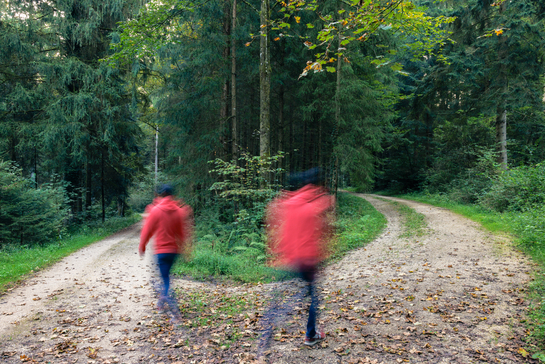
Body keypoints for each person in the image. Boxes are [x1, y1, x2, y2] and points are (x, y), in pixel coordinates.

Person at [263, 169, 335, 348]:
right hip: (308, 260)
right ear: (315, 183)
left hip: (288, 258)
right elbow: (325, 231)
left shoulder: (287, 202)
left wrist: (275, 251)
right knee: (311, 297)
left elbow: (272, 221)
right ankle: (310, 335)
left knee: (285, 295)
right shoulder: (318, 203)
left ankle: (267, 329)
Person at [139, 184, 193, 313]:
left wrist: (142, 245)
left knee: (164, 278)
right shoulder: (179, 211)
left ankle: (166, 301)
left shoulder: (156, 210)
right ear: (172, 195)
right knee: (166, 276)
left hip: (161, 251)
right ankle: (163, 299)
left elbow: (148, 230)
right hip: (174, 252)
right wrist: (185, 249)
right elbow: (182, 232)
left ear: (162, 195)